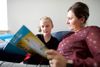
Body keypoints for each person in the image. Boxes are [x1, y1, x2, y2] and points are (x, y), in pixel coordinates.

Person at [45, 2, 100, 67]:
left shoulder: (91, 30)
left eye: (70, 18)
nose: (67, 22)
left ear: (82, 19)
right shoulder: (67, 36)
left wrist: (68, 63)